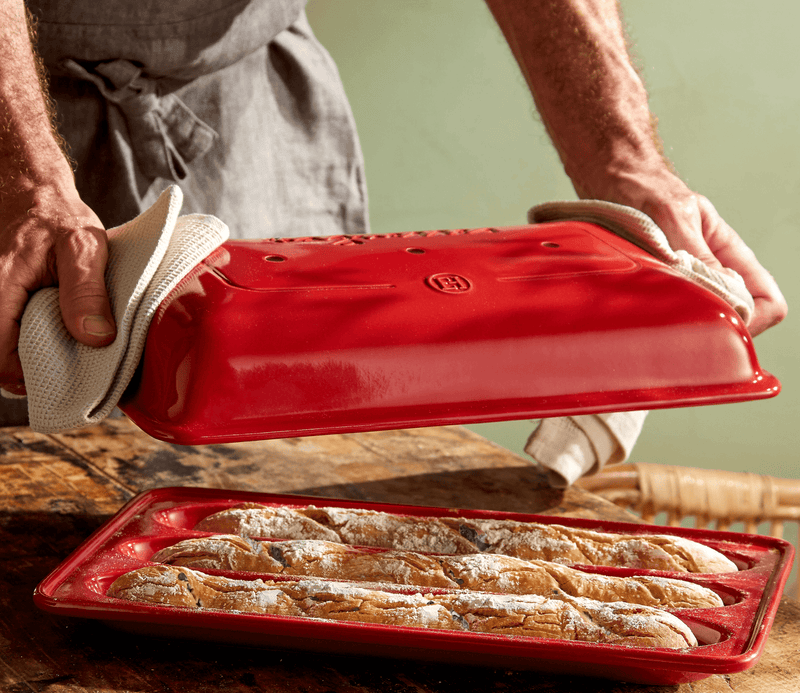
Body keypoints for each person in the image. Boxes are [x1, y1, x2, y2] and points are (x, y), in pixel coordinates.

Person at [0, 0, 787, 420]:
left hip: (240, 113)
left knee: (279, 494)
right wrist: (25, 176)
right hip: (12, 127)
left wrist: (622, 159)